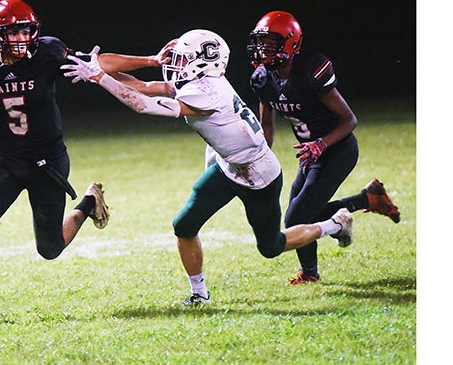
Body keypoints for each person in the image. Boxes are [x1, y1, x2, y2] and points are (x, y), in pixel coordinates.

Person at [61, 29, 354, 305]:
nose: (176, 64)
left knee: (271, 246)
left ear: (205, 62)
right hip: (228, 167)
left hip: (258, 175)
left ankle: (334, 224)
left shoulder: (207, 92)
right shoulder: (199, 82)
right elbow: (141, 86)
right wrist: (95, 68)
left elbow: (141, 104)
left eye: (183, 59)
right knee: (184, 224)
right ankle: (200, 294)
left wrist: (99, 77)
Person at [0, 0, 110, 329]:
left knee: (50, 249)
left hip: (47, 162)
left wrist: (150, 60)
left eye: (26, 30)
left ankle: (87, 202)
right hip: (8, 160)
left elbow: (96, 64)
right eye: (12, 32)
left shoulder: (48, 53)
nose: (21, 39)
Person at [246, 10, 401, 285]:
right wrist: (260, 156)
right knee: (300, 213)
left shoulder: (309, 71)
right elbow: (266, 123)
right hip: (310, 154)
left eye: (271, 43)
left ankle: (310, 273)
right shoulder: (263, 78)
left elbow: (349, 120)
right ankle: (367, 200)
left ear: (291, 44)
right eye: (261, 43)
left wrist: (321, 143)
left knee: (296, 215)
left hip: (337, 149)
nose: (263, 50)